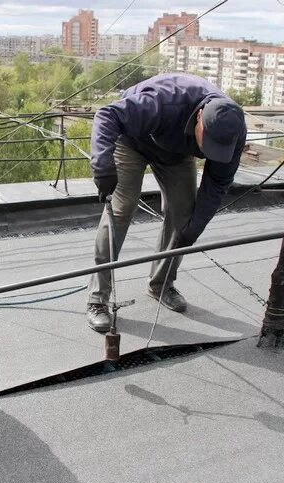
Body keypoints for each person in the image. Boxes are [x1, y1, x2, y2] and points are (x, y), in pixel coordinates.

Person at [86, 73, 247, 332]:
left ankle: (161, 284)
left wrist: (193, 231)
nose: (209, 152)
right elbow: (107, 115)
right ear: (199, 116)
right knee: (121, 208)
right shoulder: (164, 102)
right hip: (132, 141)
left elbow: (216, 184)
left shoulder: (231, 130)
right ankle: (97, 299)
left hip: (175, 153)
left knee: (184, 214)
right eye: (207, 143)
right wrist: (102, 167)